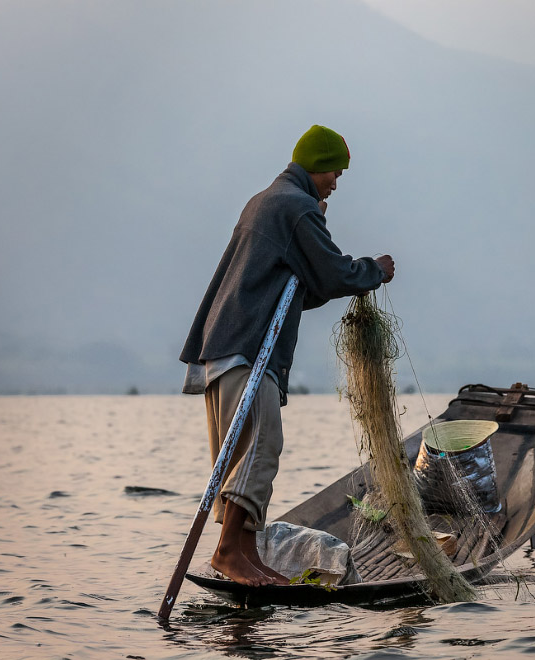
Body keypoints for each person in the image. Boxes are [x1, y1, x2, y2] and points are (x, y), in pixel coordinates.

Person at [179, 125, 395, 587]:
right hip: (248, 351)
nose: (336, 182)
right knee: (261, 447)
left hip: (222, 349)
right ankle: (226, 553)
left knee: (237, 452)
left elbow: (305, 287)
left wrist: (319, 231)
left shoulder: (267, 201)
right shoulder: (295, 208)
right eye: (335, 171)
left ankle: (245, 556)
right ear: (316, 166)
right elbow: (335, 274)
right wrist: (374, 270)